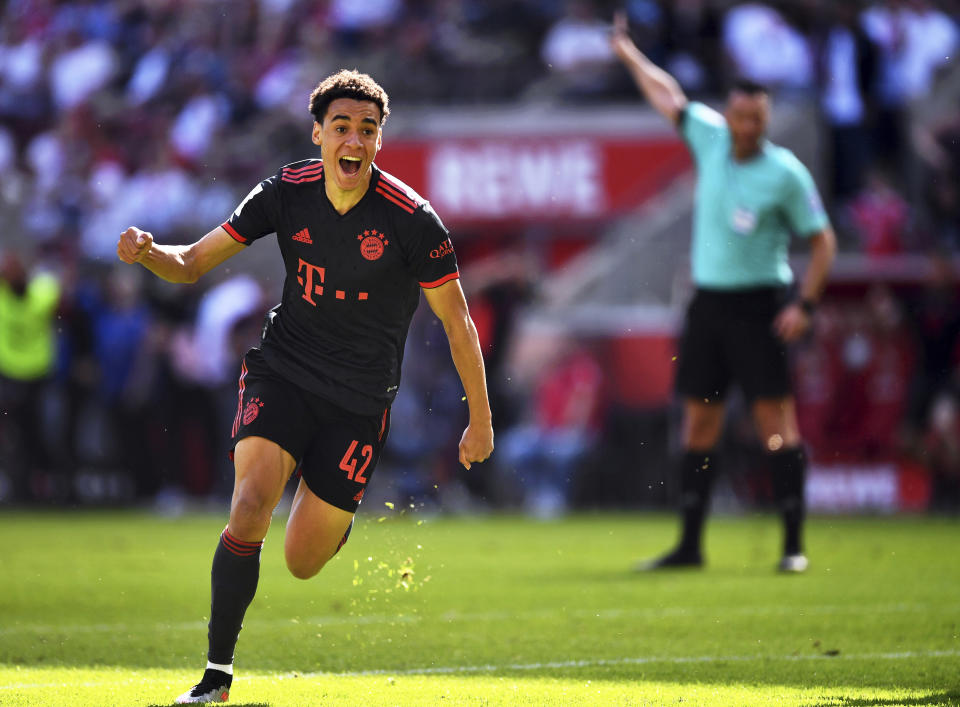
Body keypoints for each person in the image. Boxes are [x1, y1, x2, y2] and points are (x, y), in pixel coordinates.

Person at [116, 69, 494, 703]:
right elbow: (191, 264)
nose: (354, 140)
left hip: (359, 403)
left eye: (367, 130)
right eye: (341, 127)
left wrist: (480, 421)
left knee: (301, 560)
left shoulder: (412, 220)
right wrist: (149, 252)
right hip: (283, 371)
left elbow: (458, 324)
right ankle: (216, 676)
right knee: (248, 506)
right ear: (318, 134)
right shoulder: (283, 191)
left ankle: (332, 515)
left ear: (379, 140)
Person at [611, 13, 836, 573]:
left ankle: (792, 544)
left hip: (761, 305)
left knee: (775, 424)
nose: (746, 127)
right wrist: (630, 54)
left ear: (766, 119)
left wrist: (804, 306)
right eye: (740, 116)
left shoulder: (784, 173)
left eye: (757, 118)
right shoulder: (708, 138)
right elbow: (670, 96)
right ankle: (690, 546)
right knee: (699, 422)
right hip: (708, 305)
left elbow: (823, 241)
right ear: (730, 113)